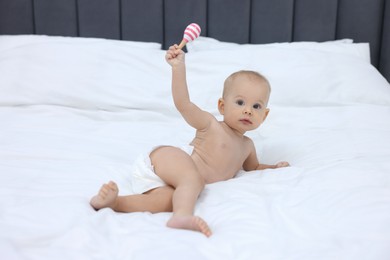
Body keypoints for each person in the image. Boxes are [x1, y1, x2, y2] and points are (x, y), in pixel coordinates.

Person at [90, 44, 290, 237]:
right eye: (240, 102)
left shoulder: (247, 146)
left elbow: (253, 168)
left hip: (178, 184)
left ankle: (114, 203)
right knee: (193, 180)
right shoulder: (211, 124)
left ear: (264, 115)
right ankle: (182, 216)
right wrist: (178, 68)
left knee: (167, 201)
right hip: (167, 159)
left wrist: (273, 168)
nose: (248, 110)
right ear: (221, 106)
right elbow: (183, 104)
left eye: (257, 106)